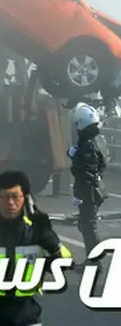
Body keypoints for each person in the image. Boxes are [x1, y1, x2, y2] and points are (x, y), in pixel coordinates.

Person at [0, 171, 72, 326]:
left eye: (16, 196)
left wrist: (50, 241)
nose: (10, 202)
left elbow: (65, 265)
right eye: (5, 197)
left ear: (26, 199)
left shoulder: (37, 232)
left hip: (27, 317)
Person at [67, 102, 107, 259]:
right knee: (86, 225)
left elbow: (86, 173)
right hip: (93, 189)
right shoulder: (96, 140)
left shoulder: (88, 144)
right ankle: (94, 258)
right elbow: (100, 164)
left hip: (89, 191)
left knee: (88, 227)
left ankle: (95, 260)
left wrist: (81, 196)